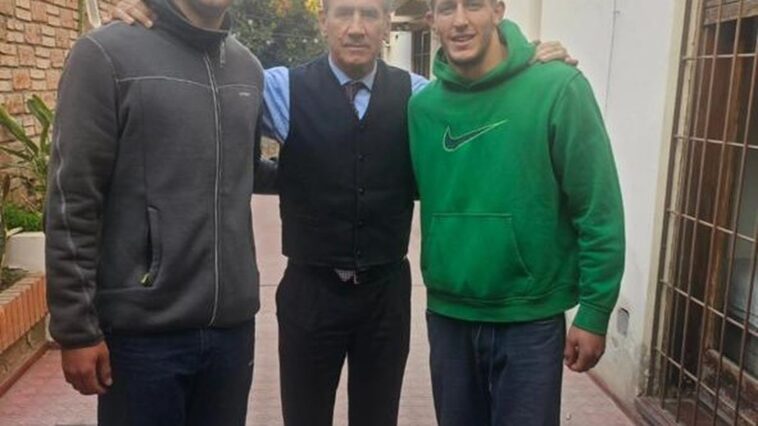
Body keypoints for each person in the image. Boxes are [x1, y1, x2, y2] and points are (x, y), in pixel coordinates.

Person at [112, 0, 572, 424]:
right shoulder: (277, 87)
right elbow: (206, 77)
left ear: (387, 24)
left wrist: (526, 62)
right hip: (310, 295)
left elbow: (479, 93)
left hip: (385, 297)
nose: (356, 28)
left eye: (370, 14)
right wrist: (151, 19)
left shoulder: (419, 96)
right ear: (323, 21)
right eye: (343, 13)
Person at [44, 0, 274, 423]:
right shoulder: (105, 55)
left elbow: (245, 168)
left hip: (231, 332)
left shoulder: (248, 69)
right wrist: (75, 328)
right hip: (142, 338)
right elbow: (72, 196)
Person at [408, 0, 625, 425]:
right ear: (431, 19)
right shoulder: (422, 109)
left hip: (530, 320)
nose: (460, 19)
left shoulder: (559, 88)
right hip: (449, 318)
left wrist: (595, 310)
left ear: (497, 10)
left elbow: (597, 207)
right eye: (445, 8)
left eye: (472, 4)